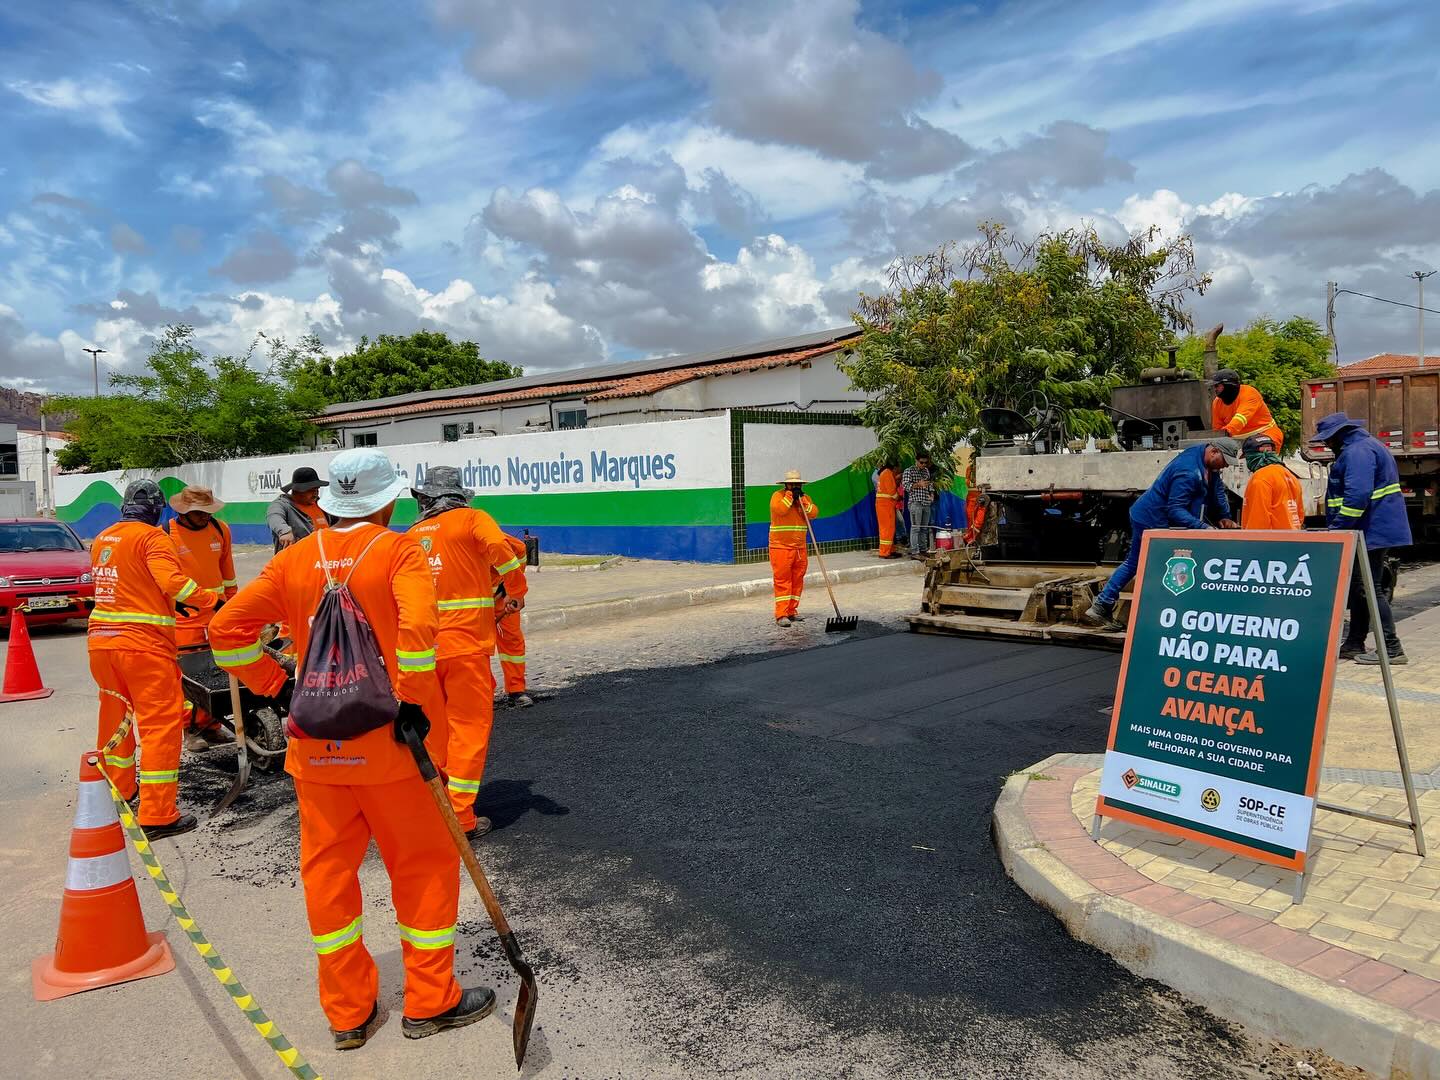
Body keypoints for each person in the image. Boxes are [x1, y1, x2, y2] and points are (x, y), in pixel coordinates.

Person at [209, 449, 494, 1050]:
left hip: (317, 754)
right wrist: (409, 700)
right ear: (387, 501)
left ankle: (348, 1014)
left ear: (332, 502)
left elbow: (224, 632)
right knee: (423, 869)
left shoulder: (293, 560)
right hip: (395, 751)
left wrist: (279, 687)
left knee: (329, 876)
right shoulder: (397, 551)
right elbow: (418, 631)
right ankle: (430, 1001)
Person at [89, 480, 220, 839]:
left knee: (115, 720)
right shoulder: (153, 538)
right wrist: (212, 601)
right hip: (143, 648)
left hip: (102, 645)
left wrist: (169, 602)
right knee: (160, 728)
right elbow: (174, 582)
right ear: (158, 510)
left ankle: (119, 791)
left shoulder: (103, 538)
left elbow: (128, 585)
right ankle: (158, 815)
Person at [407, 467, 528, 838]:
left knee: (434, 735)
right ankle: (459, 817)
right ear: (458, 496)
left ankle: (433, 809)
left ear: (425, 499)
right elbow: (504, 550)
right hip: (465, 648)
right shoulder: (472, 519)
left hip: (421, 653)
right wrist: (515, 589)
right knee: (468, 731)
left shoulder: (412, 534)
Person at [1083, 439, 1241, 630]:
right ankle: (1110, 607)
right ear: (1214, 451)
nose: (1226, 466)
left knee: (1145, 563)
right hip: (1150, 518)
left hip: (1158, 518)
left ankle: (1105, 605)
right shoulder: (1188, 471)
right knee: (1143, 563)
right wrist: (1203, 527)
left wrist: (1224, 517)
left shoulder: (1204, 457)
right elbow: (1175, 509)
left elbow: (1217, 489)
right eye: (1225, 461)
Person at [1313, 413, 1413, 665]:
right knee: (1362, 588)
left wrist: (1338, 529)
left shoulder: (1357, 452)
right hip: (1372, 529)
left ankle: (1391, 647)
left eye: (1327, 440)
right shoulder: (1367, 446)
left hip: (1369, 530)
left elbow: (1357, 497)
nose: (1326, 444)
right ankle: (1355, 642)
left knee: (1369, 588)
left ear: (1339, 435)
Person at [167, 485, 240, 752]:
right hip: (184, 619)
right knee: (189, 678)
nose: (205, 516)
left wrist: (233, 607)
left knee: (217, 673)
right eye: (199, 512)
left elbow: (228, 574)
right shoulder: (166, 535)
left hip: (217, 615)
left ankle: (212, 725)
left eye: (208, 511)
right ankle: (190, 729)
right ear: (183, 511)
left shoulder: (220, 530)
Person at [769, 469, 818, 627]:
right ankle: (781, 614)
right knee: (783, 581)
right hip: (780, 547)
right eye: (792, 485)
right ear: (786, 485)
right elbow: (780, 510)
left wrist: (802, 500)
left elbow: (813, 513)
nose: (796, 487)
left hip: (799, 547)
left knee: (797, 580)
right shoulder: (778, 496)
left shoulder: (804, 498)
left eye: (798, 485)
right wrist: (790, 496)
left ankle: (791, 611)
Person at [493, 532, 533, 708]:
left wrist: (511, 590)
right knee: (475, 649)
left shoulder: (493, 538)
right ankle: (484, 691)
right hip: (472, 603)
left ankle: (516, 689)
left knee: (511, 640)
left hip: (502, 597)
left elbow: (520, 550)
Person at [1239, 434, 1303, 530]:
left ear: (1251, 456)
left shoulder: (1260, 478)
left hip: (1271, 539)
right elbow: (1300, 516)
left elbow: (1258, 523)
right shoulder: (1290, 476)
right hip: (1293, 536)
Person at [1212, 369, 1284, 450]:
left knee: (1261, 450)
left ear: (1228, 386)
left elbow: (1240, 419)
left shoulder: (1249, 393)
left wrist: (1225, 433)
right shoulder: (1216, 402)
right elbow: (1217, 429)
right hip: (1238, 440)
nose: (1215, 389)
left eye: (1217, 386)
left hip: (1265, 433)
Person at [267, 466, 331, 551]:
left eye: (317, 489)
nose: (315, 493)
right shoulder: (282, 505)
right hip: (297, 557)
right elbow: (274, 516)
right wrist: (285, 531)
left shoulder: (321, 505)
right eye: (310, 490)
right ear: (297, 490)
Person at [902, 452, 936, 555]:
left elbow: (929, 484)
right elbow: (906, 486)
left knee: (924, 528)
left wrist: (931, 495)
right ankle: (915, 551)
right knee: (916, 528)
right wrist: (918, 484)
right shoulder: (909, 471)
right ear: (916, 461)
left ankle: (923, 549)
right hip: (915, 502)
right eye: (921, 462)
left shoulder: (926, 471)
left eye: (925, 463)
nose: (924, 465)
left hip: (926, 502)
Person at [875, 460, 902, 558]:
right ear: (894, 467)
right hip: (885, 506)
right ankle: (885, 552)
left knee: (889, 528)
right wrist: (898, 497)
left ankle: (890, 550)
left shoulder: (885, 473)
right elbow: (892, 492)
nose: (899, 470)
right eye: (898, 468)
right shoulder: (887, 473)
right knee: (887, 529)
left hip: (885, 505)